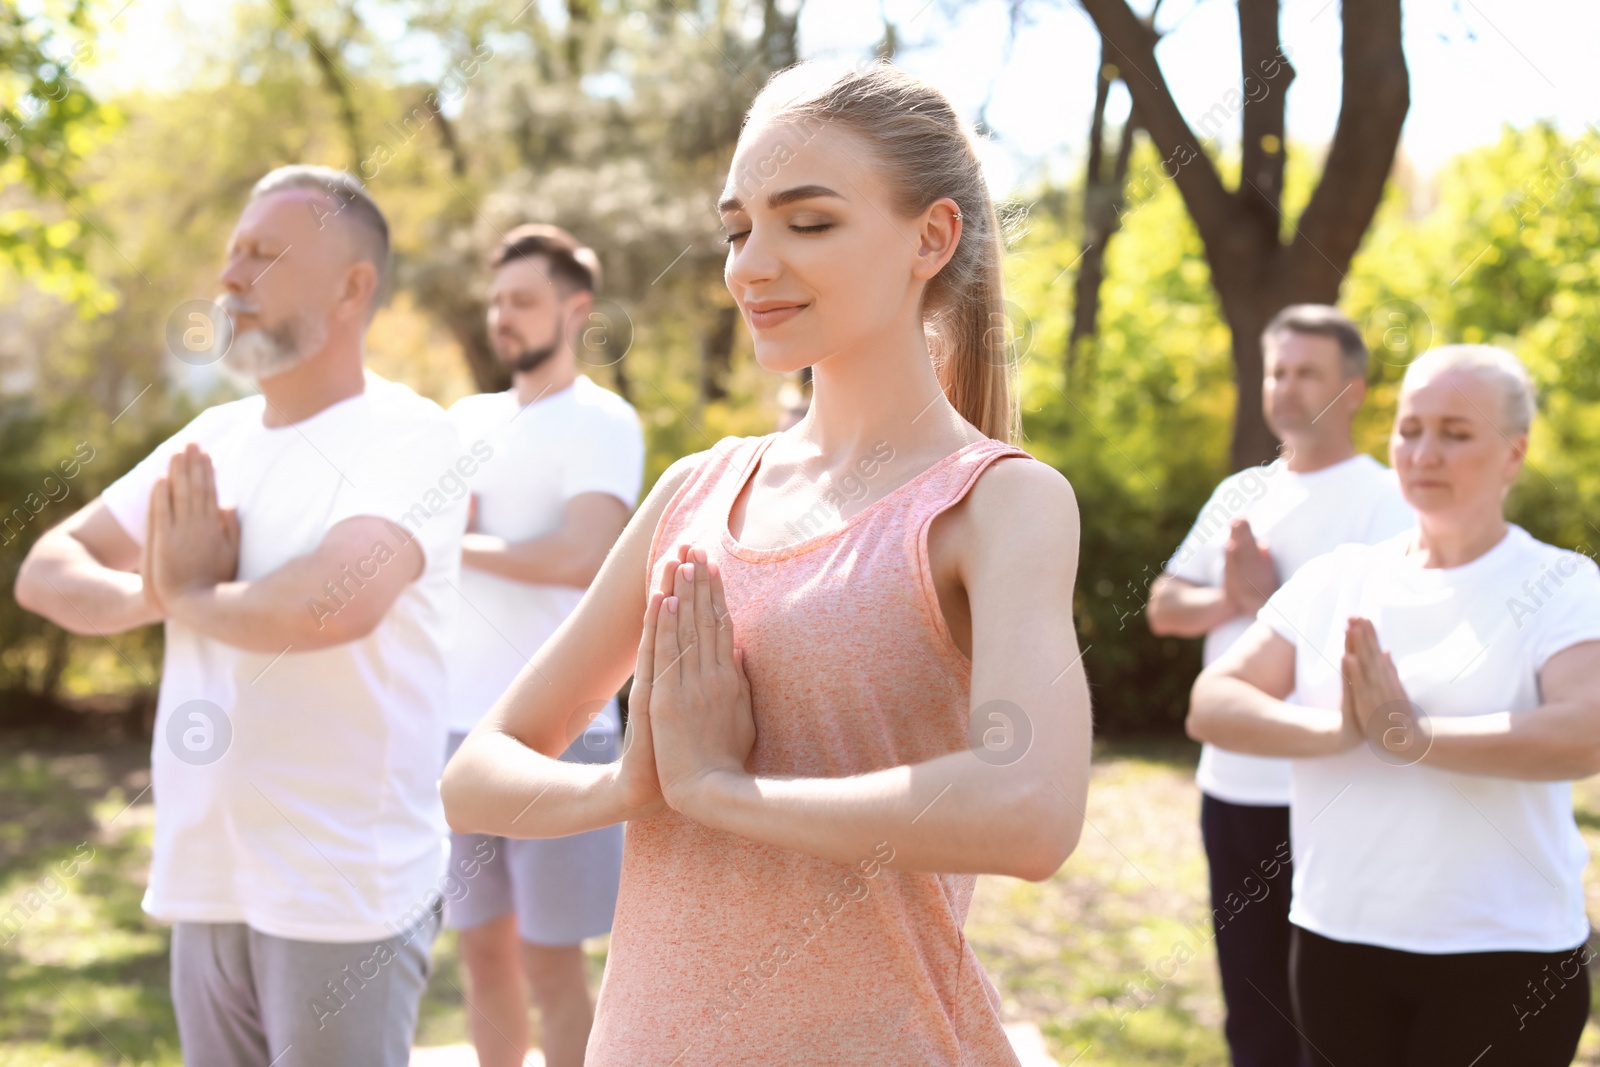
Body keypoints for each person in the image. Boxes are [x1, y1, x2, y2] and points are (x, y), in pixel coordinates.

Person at [441, 61, 1091, 1065]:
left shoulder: (999, 502)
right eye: (737, 227)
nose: (750, 265)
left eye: (809, 222)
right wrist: (632, 784)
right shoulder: (692, 493)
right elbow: (477, 773)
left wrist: (724, 792)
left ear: (931, 237)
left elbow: (1032, 809)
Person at [14, 166, 467, 1067]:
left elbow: (332, 600)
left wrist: (187, 596)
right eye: (231, 253)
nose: (231, 277)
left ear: (353, 287)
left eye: (264, 254)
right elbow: (45, 571)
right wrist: (161, 590)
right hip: (205, 881)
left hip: (346, 892)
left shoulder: (411, 436)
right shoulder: (209, 441)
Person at [1188, 344, 1600, 1066]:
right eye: (1410, 429)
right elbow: (1213, 702)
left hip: (1504, 955)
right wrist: (1337, 731)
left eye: (1456, 432)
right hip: (1335, 943)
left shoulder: (1562, 584)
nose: (1424, 452)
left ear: (1514, 452)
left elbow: (1585, 732)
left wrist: (1415, 737)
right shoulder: (1338, 577)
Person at [1146, 304, 1412, 1067]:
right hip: (1234, 786)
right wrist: (1233, 597)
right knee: (1253, 1005)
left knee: (1333, 1014)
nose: (1288, 388)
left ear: (1354, 388)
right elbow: (1166, 604)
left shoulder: (1387, 500)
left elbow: (1386, 637)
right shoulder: (1242, 492)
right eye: (1277, 371)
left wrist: (1268, 599)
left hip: (1336, 786)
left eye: (1309, 373)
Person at [442, 223, 644, 1067]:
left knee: (552, 962)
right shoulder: (464, 419)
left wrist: (457, 542)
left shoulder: (601, 420)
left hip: (560, 733)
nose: (503, 317)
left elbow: (585, 553)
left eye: (523, 300)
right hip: (456, 732)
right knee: (481, 956)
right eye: (497, 301)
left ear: (576, 310)